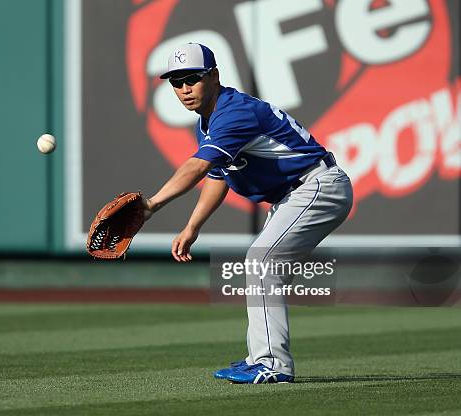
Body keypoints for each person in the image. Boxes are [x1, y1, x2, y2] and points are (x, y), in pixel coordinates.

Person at [142, 43, 353, 384]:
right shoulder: (208, 121)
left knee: (261, 261)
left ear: (213, 76)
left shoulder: (234, 112)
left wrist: (152, 204)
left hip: (317, 185)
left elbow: (197, 167)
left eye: (192, 79)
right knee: (262, 269)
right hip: (293, 195)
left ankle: (273, 364)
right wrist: (192, 226)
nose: (183, 89)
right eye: (175, 82)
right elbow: (216, 177)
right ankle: (261, 357)